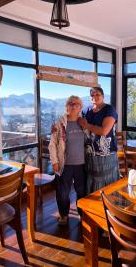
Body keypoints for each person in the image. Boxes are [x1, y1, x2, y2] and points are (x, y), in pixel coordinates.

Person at [49, 95, 86, 225]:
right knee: (63, 192)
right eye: (70, 103)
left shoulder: (84, 123)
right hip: (65, 165)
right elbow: (52, 144)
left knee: (81, 191)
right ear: (66, 106)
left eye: (76, 104)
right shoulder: (59, 123)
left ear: (80, 107)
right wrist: (55, 161)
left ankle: (82, 213)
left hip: (82, 165)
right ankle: (63, 215)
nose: (73, 105)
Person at [78, 87, 119, 194]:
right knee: (91, 183)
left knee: (107, 185)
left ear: (103, 96)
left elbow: (104, 131)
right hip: (89, 154)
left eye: (97, 94)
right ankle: (91, 209)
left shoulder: (109, 109)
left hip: (106, 155)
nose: (95, 97)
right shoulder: (85, 111)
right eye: (92, 95)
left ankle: (108, 208)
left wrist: (86, 125)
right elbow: (76, 122)